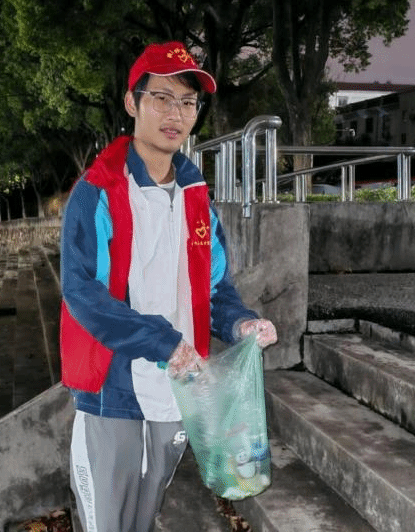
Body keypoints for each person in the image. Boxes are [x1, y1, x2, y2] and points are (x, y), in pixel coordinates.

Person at [59, 41, 277, 532]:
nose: (175, 113)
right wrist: (162, 341)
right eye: (161, 98)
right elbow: (81, 291)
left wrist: (242, 323)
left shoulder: (197, 196)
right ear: (132, 103)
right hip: (113, 387)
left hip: (178, 388)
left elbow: (215, 288)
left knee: (144, 515)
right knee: (106, 522)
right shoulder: (98, 191)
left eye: (187, 102)